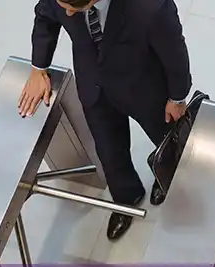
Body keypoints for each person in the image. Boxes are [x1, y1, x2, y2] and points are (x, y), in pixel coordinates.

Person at [20, 0, 192, 240]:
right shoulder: (62, 0)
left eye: (73, 9)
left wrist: (177, 97)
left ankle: (166, 179)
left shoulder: (151, 6)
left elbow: (174, 51)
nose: (67, 12)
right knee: (109, 151)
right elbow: (45, 15)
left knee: (166, 139)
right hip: (94, 85)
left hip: (144, 85)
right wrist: (38, 68)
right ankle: (126, 197)